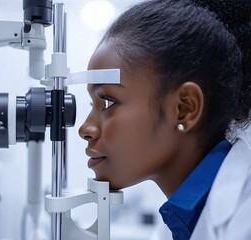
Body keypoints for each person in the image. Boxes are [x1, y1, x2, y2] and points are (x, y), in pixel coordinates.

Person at [78, 0, 251, 239]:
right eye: (92, 105)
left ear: (185, 109)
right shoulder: (181, 221)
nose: (85, 129)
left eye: (108, 102)